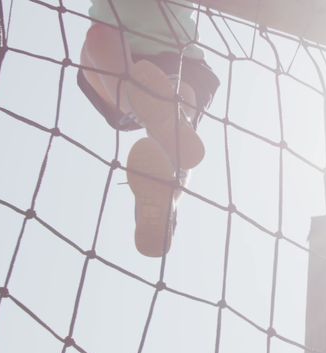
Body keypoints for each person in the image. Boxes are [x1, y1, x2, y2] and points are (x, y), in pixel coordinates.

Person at [78, 0, 220, 256]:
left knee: (182, 99)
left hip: (178, 56)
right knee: (97, 42)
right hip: (120, 57)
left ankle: (169, 188)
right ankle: (148, 111)